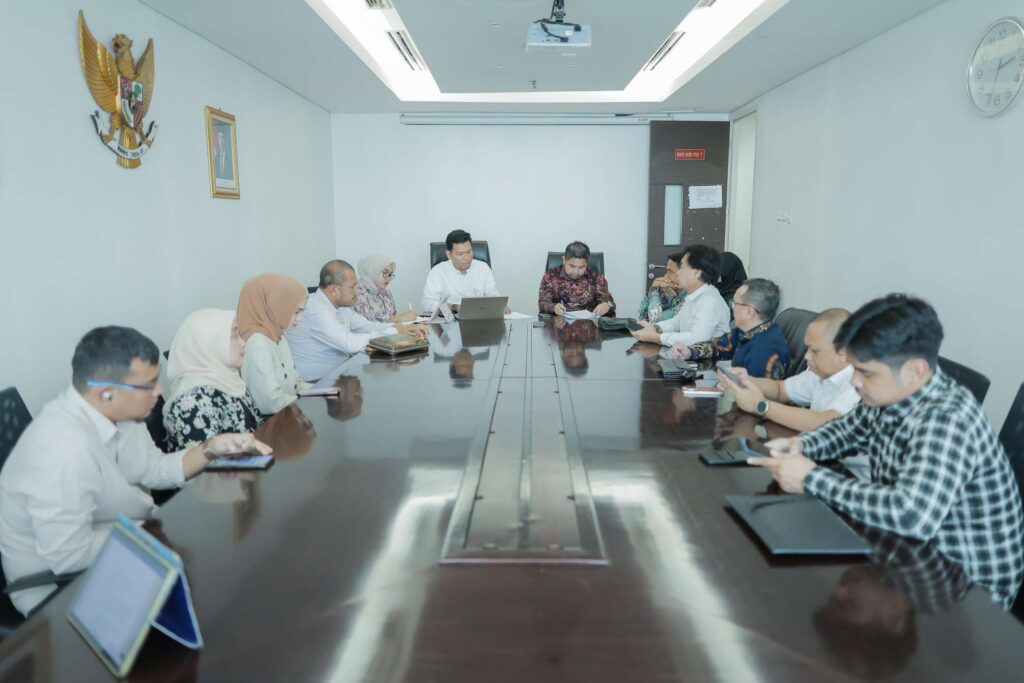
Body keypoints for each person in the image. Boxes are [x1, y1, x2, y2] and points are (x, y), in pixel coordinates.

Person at [748, 294, 1024, 608]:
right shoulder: (889, 393)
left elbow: (911, 514)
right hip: (906, 550)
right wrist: (800, 444)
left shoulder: (947, 419)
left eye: (865, 372)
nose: (855, 382)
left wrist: (811, 477)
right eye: (854, 369)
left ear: (915, 370)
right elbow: (846, 431)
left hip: (966, 587)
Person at [0, 326, 270, 615]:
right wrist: (150, 535)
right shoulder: (62, 449)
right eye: (148, 386)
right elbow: (68, 556)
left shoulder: (120, 413)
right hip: (61, 585)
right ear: (106, 393)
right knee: (216, 598)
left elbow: (154, 468)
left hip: (125, 540)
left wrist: (210, 448)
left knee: (234, 566)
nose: (159, 392)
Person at [718, 308, 859, 432]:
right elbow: (780, 390)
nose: (807, 356)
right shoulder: (819, 374)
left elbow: (828, 424)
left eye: (815, 350)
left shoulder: (860, 383)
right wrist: (745, 380)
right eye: (808, 348)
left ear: (843, 353)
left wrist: (761, 406)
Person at [287, 260, 426, 382]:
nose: (357, 291)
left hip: (341, 374)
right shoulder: (316, 310)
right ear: (334, 290)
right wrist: (394, 331)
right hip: (317, 383)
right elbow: (350, 343)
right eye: (352, 287)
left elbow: (367, 326)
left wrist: (401, 328)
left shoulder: (340, 307)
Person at [163, 309, 262, 451]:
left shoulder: (228, 378)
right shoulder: (193, 402)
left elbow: (255, 425)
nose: (242, 342)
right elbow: (207, 461)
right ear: (210, 345)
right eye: (234, 335)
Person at [668, 278, 789, 379]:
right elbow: (717, 345)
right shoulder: (747, 332)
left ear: (749, 312)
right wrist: (690, 351)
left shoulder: (763, 350)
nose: (733, 308)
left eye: (735, 304)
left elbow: (753, 394)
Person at [631, 244, 730, 347]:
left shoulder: (710, 301)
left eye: (682, 267)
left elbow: (697, 339)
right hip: (686, 353)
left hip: (708, 357)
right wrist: (654, 328)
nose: (678, 273)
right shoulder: (693, 295)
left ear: (697, 273)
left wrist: (657, 337)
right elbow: (676, 322)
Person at [238, 273, 308, 415]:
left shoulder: (277, 334)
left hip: (288, 413)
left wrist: (325, 391)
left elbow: (295, 383)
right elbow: (270, 404)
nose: (300, 319)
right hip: (271, 422)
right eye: (296, 312)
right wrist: (313, 401)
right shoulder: (256, 343)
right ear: (276, 306)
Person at [421, 229, 501, 313]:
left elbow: (494, 297)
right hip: (450, 318)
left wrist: (500, 306)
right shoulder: (438, 271)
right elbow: (427, 303)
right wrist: (452, 307)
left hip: (479, 317)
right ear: (449, 254)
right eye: (460, 254)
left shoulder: (483, 268)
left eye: (469, 252)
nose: (466, 257)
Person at [537, 241, 615, 317]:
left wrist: (606, 306)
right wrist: (553, 307)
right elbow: (543, 303)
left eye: (581, 267)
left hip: (589, 323)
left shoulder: (596, 277)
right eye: (572, 266)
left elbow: (611, 303)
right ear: (564, 260)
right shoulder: (550, 276)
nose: (576, 271)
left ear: (587, 263)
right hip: (559, 322)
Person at [353, 253, 417, 324]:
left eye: (390, 274)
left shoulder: (387, 293)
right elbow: (364, 325)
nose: (388, 278)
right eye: (385, 272)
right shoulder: (357, 293)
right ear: (373, 270)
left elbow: (393, 321)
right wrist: (396, 318)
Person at [638, 251, 686, 322]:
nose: (665, 276)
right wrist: (652, 291)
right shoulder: (667, 291)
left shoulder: (689, 300)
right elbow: (642, 317)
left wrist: (654, 292)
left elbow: (654, 321)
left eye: (670, 271)